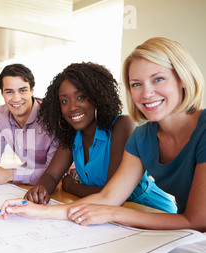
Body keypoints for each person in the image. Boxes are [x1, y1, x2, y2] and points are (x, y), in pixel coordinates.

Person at [0, 37, 206, 232]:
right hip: (181, 237)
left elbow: (196, 221)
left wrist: (111, 212)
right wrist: (39, 211)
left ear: (183, 79)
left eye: (158, 79)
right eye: (136, 84)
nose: (146, 93)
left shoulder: (129, 127)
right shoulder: (143, 137)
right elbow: (109, 197)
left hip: (164, 219)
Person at [24, 62, 176, 213]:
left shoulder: (122, 126)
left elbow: (110, 194)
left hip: (149, 209)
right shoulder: (72, 135)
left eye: (81, 97)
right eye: (64, 101)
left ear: (96, 97)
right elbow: (51, 175)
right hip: (107, 214)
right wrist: (40, 189)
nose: (72, 107)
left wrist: (71, 186)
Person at [0, 64, 59, 191]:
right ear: (2, 94)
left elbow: (54, 173)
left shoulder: (52, 117)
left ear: (32, 90)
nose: (16, 98)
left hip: (63, 183)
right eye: (9, 92)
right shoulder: (1, 116)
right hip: (30, 184)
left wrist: (10, 174)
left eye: (22, 90)